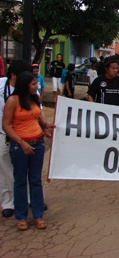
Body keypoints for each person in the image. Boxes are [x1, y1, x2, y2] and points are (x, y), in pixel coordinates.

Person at [2, 71, 54, 230]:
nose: (37, 86)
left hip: (37, 144)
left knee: (35, 180)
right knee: (20, 181)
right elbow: (6, 125)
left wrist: (45, 127)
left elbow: (38, 116)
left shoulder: (35, 99)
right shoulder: (12, 101)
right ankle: (21, 216)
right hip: (19, 146)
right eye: (33, 84)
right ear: (25, 85)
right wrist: (21, 142)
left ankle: (38, 215)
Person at [0, 60, 33, 219]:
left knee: (28, 170)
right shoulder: (1, 86)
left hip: (26, 136)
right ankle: (8, 203)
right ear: (13, 75)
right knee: (5, 170)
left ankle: (29, 198)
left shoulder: (29, 88)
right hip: (2, 134)